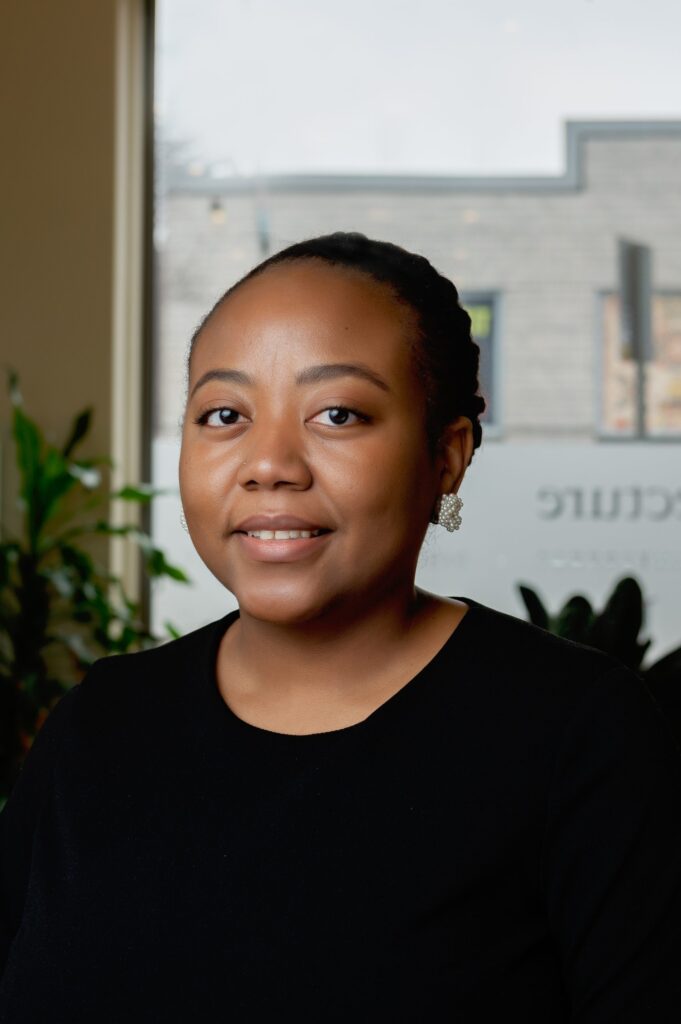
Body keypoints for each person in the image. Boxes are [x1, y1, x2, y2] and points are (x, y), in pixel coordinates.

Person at [0, 232, 680, 1022]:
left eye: (337, 413)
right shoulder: (101, 724)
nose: (270, 464)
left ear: (447, 456)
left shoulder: (577, 735)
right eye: (223, 413)